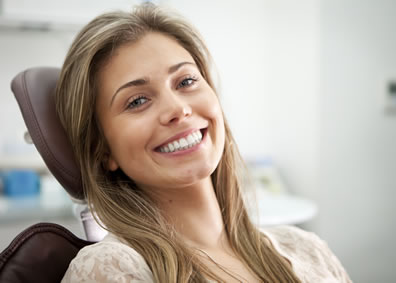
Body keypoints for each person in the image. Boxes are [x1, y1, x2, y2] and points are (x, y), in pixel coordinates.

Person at [57, 3, 351, 283]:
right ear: (103, 150)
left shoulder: (306, 249)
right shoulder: (111, 269)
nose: (178, 109)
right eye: (137, 101)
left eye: (185, 82)